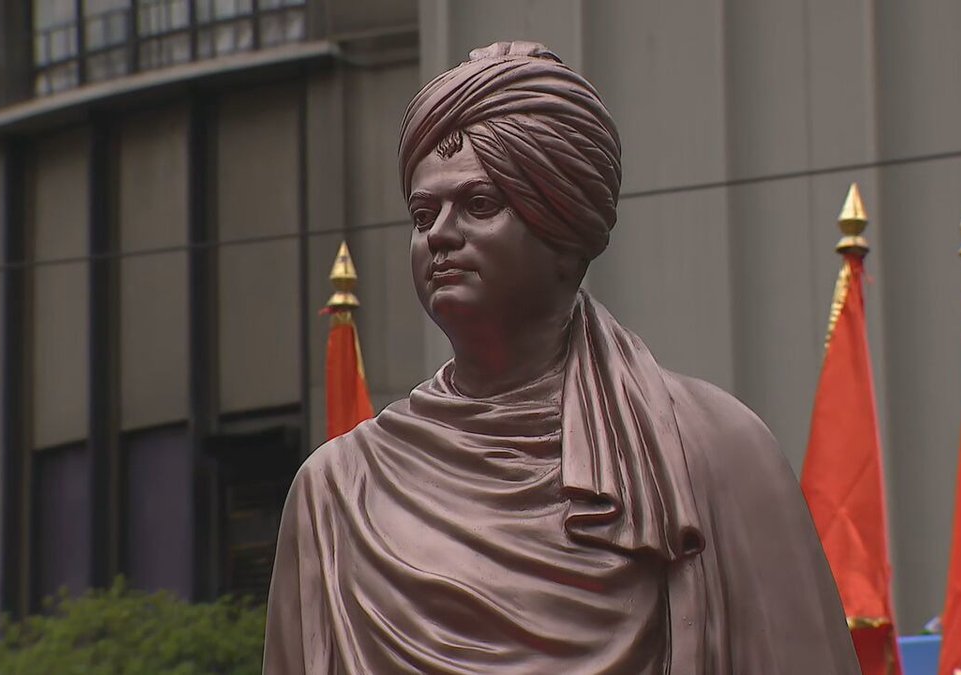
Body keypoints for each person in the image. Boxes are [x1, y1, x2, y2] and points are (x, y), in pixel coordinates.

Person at [264, 41, 859, 674]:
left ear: (566, 238)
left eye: (480, 205)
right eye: (422, 213)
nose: (439, 233)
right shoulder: (336, 493)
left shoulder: (711, 452)